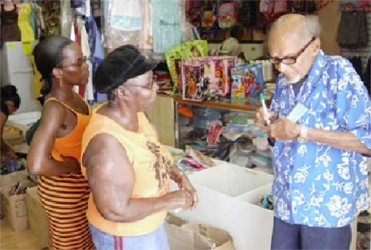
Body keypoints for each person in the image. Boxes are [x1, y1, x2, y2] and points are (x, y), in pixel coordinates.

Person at [256, 14, 371, 249]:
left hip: (325, 208)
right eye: (275, 60)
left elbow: (367, 140)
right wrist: (271, 127)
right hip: (287, 202)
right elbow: (281, 137)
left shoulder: (339, 74)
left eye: (289, 58)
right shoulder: (283, 83)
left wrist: (302, 131)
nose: (282, 68)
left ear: (314, 46)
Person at [81, 44, 198, 250]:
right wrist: (169, 201)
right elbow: (115, 210)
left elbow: (153, 151)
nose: (156, 88)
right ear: (122, 92)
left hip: (148, 226)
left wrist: (179, 176)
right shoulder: (107, 145)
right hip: (126, 237)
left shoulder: (136, 115)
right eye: (148, 85)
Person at [26, 36, 93, 250]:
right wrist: (72, 166)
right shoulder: (55, 109)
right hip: (64, 196)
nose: (86, 67)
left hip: (83, 190)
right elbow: (36, 165)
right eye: (78, 63)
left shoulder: (75, 98)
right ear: (57, 72)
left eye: (84, 60)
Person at [0, 85, 20, 161]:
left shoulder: (3, 112)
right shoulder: (2, 114)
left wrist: (7, 149)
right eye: (14, 109)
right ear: (10, 104)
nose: (13, 112)